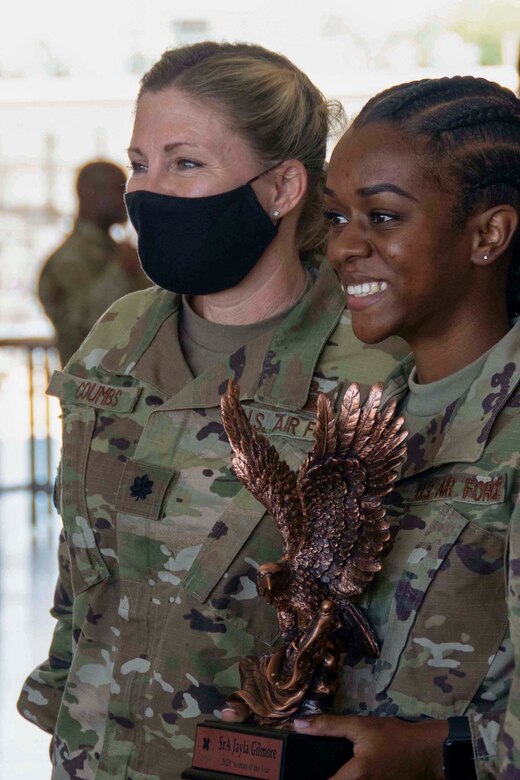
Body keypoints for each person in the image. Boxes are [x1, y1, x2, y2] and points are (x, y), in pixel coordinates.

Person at [17, 42, 408, 779]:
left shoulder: (373, 369)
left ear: (285, 187)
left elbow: (394, 628)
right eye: (139, 163)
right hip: (92, 755)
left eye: (185, 163)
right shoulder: (119, 335)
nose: (149, 192)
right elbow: (82, 575)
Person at [287, 76, 520, 780]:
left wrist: (439, 753)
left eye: (382, 217)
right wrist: (284, 714)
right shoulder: (360, 424)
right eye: (334, 218)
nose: (343, 249)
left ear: (487, 234)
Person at [38, 160, 149, 365]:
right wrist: (122, 271)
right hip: (91, 389)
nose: (125, 199)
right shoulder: (69, 260)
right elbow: (83, 325)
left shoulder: (116, 251)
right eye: (119, 190)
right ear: (89, 193)